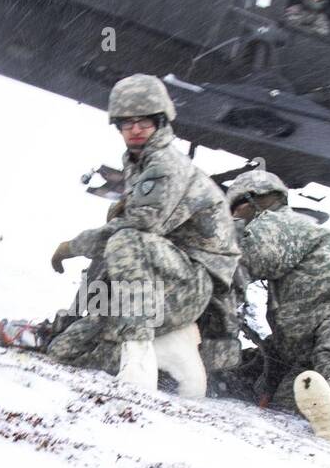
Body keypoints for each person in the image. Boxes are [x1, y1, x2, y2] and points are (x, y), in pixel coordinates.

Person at [47, 74, 240, 396]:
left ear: (161, 122)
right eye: (127, 123)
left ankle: (139, 361)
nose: (135, 130)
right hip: (161, 279)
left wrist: (71, 246)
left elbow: (139, 228)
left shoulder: (166, 164)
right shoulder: (138, 162)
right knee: (66, 350)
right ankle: (166, 357)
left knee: (125, 240)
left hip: (191, 283)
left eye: (144, 122)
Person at [227, 168, 330, 442]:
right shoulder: (288, 227)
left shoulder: (278, 223)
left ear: (253, 200)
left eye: (237, 209)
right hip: (304, 341)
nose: (235, 217)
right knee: (289, 404)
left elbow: (238, 265)